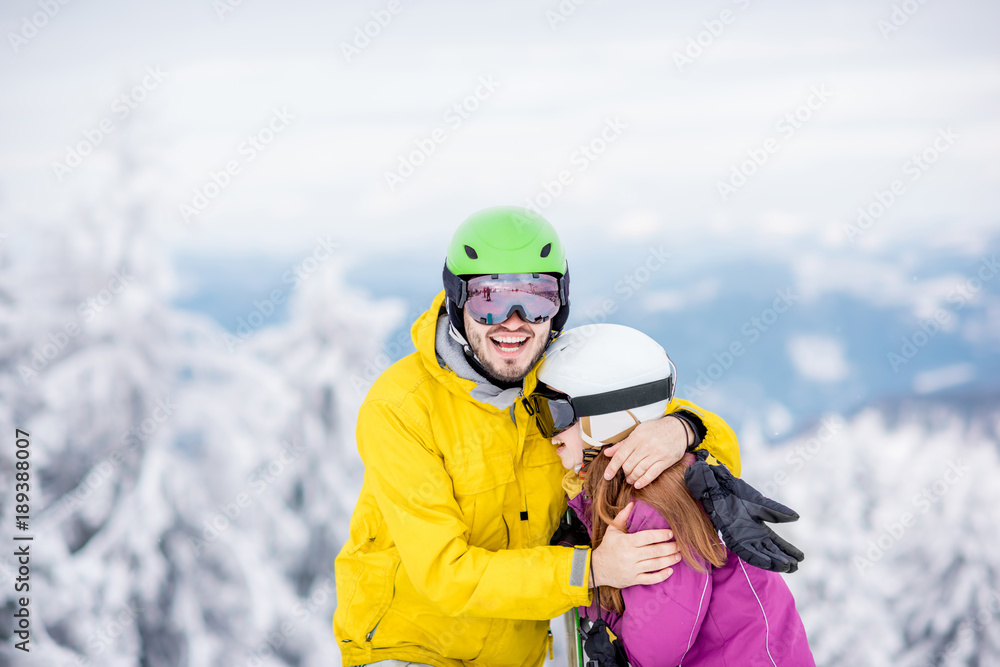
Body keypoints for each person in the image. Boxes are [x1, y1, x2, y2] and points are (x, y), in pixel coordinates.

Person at [333, 206, 742, 667]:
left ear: (559, 305)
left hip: (518, 652)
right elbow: (444, 573)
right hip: (410, 648)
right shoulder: (402, 407)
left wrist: (682, 428)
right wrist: (591, 571)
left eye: (536, 298)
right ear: (457, 301)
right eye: (489, 299)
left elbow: (718, 443)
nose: (514, 321)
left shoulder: (562, 383)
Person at [535, 323, 814, 667]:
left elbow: (653, 653)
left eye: (555, 413)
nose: (548, 430)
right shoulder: (634, 486)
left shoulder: (652, 508)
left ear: (605, 417)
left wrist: (591, 590)